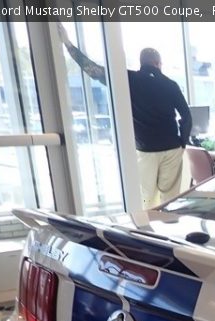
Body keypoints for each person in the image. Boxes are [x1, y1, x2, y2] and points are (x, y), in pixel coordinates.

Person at [56, 24, 191, 209]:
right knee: (170, 198)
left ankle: (148, 231)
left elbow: (93, 70)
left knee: (147, 198)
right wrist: (182, 141)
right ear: (159, 63)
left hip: (145, 148)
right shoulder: (171, 84)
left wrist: (68, 45)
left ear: (141, 63)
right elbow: (186, 116)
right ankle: (169, 227)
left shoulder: (128, 79)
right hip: (171, 147)